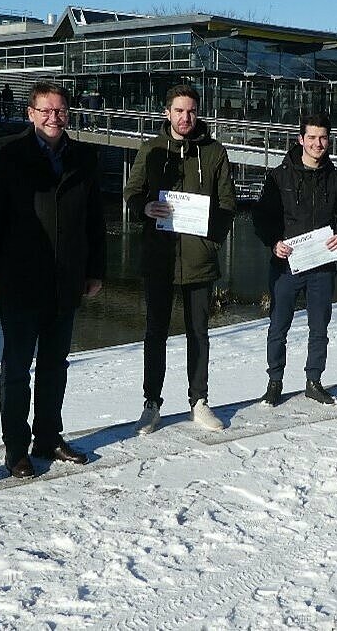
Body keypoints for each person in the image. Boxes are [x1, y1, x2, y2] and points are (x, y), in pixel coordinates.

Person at [0, 83, 106, 478]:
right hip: (19, 278)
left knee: (54, 364)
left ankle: (48, 436)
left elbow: (95, 219)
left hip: (66, 278)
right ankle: (16, 448)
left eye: (60, 110)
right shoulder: (5, 152)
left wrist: (95, 270)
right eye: (45, 110)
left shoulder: (84, 157)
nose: (54, 117)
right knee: (17, 367)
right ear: (30, 113)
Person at [123, 84, 237, 434]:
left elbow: (227, 203)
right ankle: (151, 403)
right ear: (167, 113)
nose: (185, 117)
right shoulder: (152, 149)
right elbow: (131, 192)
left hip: (199, 257)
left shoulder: (214, 152)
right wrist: (144, 207)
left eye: (191, 111)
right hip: (159, 257)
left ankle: (199, 401)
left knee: (198, 333)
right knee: (155, 332)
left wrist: (211, 239)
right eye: (179, 111)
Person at [254, 114, 337, 405]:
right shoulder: (279, 177)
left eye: (323, 138)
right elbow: (262, 217)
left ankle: (314, 381)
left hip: (322, 266)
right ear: (301, 139)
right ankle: (274, 382)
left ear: (329, 140)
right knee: (278, 327)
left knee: (319, 328)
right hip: (287, 265)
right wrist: (273, 242)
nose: (317, 143)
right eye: (312, 137)